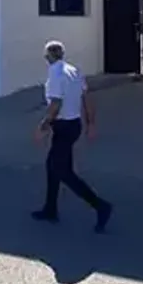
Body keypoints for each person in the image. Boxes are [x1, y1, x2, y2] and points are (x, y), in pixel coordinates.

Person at [31, 40, 113, 233]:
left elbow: (56, 104)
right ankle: (50, 209)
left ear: (48, 56)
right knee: (53, 166)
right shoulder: (74, 71)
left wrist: (43, 126)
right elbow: (87, 98)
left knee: (63, 172)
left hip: (63, 126)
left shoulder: (55, 73)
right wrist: (91, 123)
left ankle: (100, 206)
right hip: (74, 125)